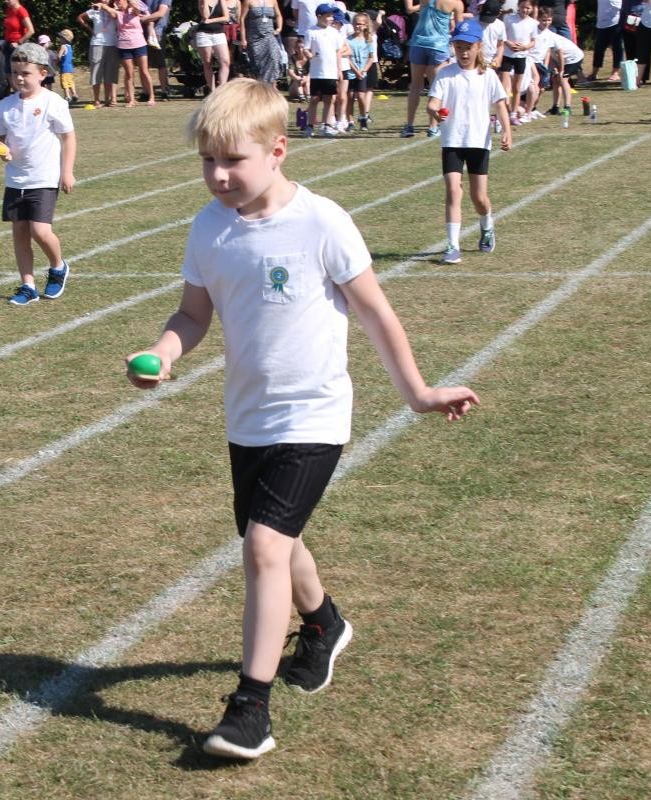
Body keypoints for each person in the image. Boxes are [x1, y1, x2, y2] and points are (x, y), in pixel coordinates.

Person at [126, 77, 479, 761]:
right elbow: (193, 314)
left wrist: (418, 392)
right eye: (207, 161)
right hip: (248, 417)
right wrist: (164, 348)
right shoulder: (208, 227)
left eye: (233, 160)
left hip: (315, 414)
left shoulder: (322, 222)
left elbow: (375, 311)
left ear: (278, 150)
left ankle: (249, 710)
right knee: (276, 542)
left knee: (262, 547)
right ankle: (322, 624)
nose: (219, 175)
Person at [0, 42, 77, 306]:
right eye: (15, 72)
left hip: (44, 177)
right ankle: (27, 285)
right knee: (19, 232)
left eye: (26, 73)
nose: (19, 78)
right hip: (16, 179)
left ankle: (58, 266)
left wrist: (67, 172)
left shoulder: (53, 102)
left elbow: (69, 138)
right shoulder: (6, 105)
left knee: (40, 230)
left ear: (42, 73)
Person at [427, 18, 512, 264]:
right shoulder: (446, 74)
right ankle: (452, 246)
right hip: (452, 141)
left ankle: (486, 227)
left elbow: (500, 104)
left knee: (479, 198)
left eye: (468, 47)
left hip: (478, 141)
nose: (463, 52)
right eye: (459, 46)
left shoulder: (488, 76)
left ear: (478, 47)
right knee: (453, 191)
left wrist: (507, 131)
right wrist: (436, 112)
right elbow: (433, 103)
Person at [401, 0, 463, 137]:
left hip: (419, 43)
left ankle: (409, 125)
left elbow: (409, 8)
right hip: (439, 46)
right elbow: (460, 29)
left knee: (415, 87)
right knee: (436, 89)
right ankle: (433, 127)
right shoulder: (456, 3)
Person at [101, 0, 157, 105]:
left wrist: (131, 3)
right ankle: (131, 99)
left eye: (119, 1)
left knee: (144, 71)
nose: (117, 4)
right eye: (116, 2)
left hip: (139, 44)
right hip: (124, 46)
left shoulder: (134, 10)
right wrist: (101, 5)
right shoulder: (117, 13)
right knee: (129, 74)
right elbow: (108, 9)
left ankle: (152, 97)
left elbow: (138, 9)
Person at [303, 3, 347, 136]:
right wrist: (309, 55)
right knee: (315, 99)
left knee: (329, 99)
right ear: (319, 16)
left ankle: (326, 125)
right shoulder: (311, 31)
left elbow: (338, 52)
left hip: (331, 72)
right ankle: (310, 126)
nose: (331, 18)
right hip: (317, 72)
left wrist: (339, 70)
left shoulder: (334, 32)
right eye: (328, 16)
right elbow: (306, 48)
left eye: (331, 16)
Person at [502, 0, 537, 124]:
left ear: (532, 8)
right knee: (505, 86)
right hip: (507, 55)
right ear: (518, 6)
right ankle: (504, 112)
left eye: (528, 8)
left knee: (517, 87)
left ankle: (513, 114)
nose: (525, 10)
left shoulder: (533, 23)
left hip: (521, 57)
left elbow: (533, 41)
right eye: (522, 7)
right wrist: (509, 44)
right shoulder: (509, 18)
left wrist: (525, 47)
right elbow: (503, 35)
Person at [79, 1, 119, 106]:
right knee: (96, 72)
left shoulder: (115, 9)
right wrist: (90, 29)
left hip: (112, 43)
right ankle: (96, 99)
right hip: (97, 43)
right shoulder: (95, 10)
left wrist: (104, 6)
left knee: (109, 73)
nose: (104, 0)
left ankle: (107, 99)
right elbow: (80, 17)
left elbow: (114, 15)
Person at [240, 0, 285, 85]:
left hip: (269, 35)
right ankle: (261, 85)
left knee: (274, 58)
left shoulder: (273, 1)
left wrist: (279, 28)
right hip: (255, 37)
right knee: (258, 63)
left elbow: (278, 15)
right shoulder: (248, 1)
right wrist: (243, 39)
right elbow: (242, 19)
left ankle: (271, 85)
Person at [347, 12, 377, 128]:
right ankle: (350, 121)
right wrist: (355, 70)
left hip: (362, 73)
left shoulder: (368, 40)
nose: (358, 26)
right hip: (350, 72)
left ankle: (363, 116)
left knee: (360, 96)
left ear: (365, 25)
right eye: (356, 24)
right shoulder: (348, 40)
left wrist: (364, 70)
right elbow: (347, 58)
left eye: (360, 24)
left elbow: (371, 58)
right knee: (349, 97)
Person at [197, 0, 232, 93]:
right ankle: (212, 90)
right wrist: (204, 3)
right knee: (208, 62)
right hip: (204, 34)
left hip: (219, 33)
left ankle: (221, 89)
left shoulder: (221, 1)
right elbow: (205, 16)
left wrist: (210, 21)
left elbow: (226, 18)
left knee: (225, 61)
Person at [586, 0, 624, 81]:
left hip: (615, 22)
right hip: (601, 24)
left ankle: (615, 73)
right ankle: (594, 73)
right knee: (598, 49)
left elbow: (622, 5)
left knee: (617, 49)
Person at [145, 0, 174, 98]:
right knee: (145, 64)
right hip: (142, 31)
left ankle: (164, 91)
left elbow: (161, 13)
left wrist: (143, 19)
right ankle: (146, 92)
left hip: (158, 32)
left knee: (161, 64)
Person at [3, 0, 35, 67]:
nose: (5, 1)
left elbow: (31, 30)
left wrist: (18, 42)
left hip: (18, 48)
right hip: (8, 45)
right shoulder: (9, 10)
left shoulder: (22, 11)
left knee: (18, 72)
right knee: (8, 74)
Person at [57, 29, 80, 102]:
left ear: (64, 39)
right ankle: (74, 94)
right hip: (70, 68)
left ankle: (67, 96)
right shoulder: (70, 47)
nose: (59, 39)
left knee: (65, 83)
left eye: (60, 37)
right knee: (70, 81)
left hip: (64, 68)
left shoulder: (63, 46)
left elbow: (59, 56)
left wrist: (57, 60)